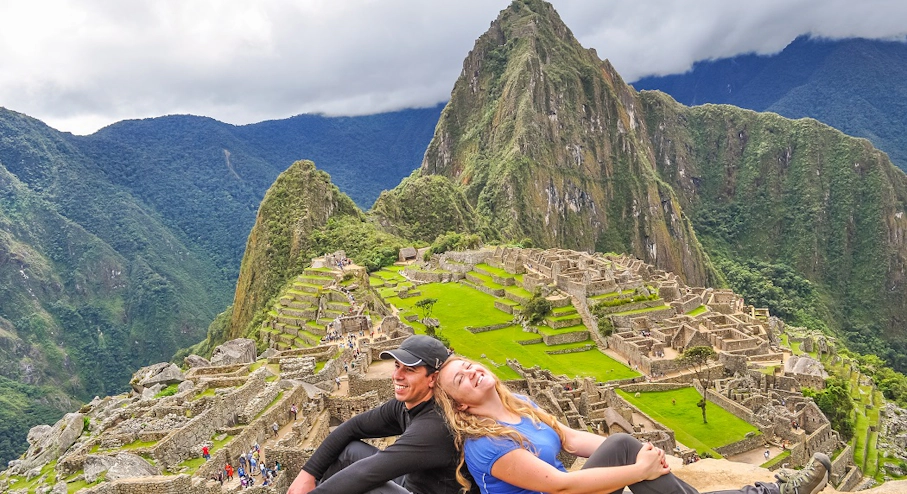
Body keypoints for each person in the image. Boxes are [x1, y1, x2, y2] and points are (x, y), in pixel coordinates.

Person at [434, 356, 831, 494]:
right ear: (459, 404)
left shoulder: (518, 402)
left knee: (631, 448)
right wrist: (636, 468)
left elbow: (570, 439)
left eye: (470, 366)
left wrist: (648, 457)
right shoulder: (485, 444)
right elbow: (560, 484)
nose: (471, 373)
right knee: (627, 450)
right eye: (459, 379)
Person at [287, 334, 477, 494]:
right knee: (348, 451)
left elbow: (366, 473)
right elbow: (353, 427)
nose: (397, 375)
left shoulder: (435, 425)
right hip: (412, 482)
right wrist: (308, 473)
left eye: (409, 369)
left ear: (433, 378)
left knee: (363, 484)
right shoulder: (406, 406)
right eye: (397, 366)